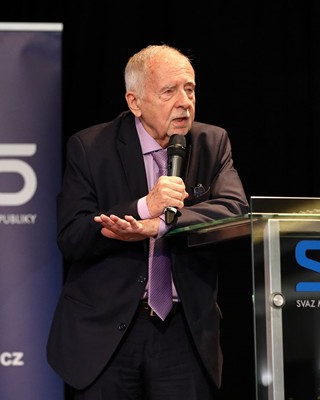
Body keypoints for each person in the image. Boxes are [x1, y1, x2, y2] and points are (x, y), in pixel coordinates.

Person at [47, 44, 249, 400]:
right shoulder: (90, 147)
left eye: (190, 89)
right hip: (106, 334)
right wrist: (143, 207)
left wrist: (162, 225)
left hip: (184, 332)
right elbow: (72, 236)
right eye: (169, 91)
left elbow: (235, 209)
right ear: (135, 102)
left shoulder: (211, 142)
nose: (184, 102)